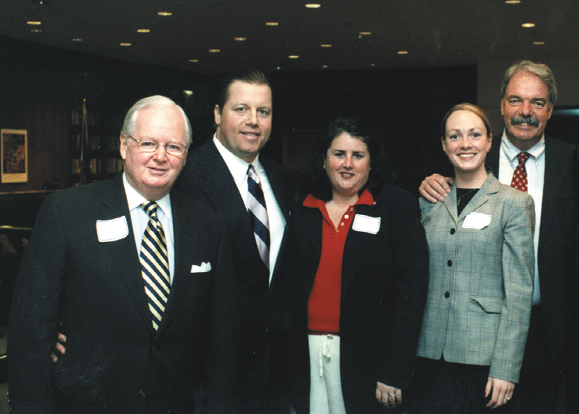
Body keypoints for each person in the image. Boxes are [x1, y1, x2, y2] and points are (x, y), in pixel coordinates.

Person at [8, 96, 238, 413]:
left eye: (174, 147)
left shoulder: (208, 225)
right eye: (148, 143)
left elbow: (222, 340)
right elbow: (30, 334)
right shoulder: (67, 213)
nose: (160, 157)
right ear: (123, 145)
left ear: (185, 157)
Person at [419, 61, 578, 413]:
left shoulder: (572, 162)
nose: (525, 112)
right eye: (516, 100)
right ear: (502, 106)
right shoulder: (472, 157)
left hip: (550, 329)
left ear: (551, 110)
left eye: (537, 103)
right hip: (476, 334)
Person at [285, 117, 429, 413]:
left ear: (372, 162)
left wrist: (394, 370)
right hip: (305, 354)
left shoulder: (395, 206)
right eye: (339, 154)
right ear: (323, 160)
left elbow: (412, 295)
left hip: (369, 362)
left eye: (358, 155)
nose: (347, 164)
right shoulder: (304, 206)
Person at [174, 69, 292, 413]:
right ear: (216, 114)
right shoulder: (186, 176)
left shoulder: (280, 178)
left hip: (273, 368)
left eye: (263, 112)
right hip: (209, 374)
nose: (253, 121)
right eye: (241, 109)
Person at [413, 103, 534, 413]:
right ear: (443, 145)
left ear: (489, 141)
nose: (465, 144)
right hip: (428, 352)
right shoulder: (429, 200)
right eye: (455, 136)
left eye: (474, 134)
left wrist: (505, 368)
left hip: (483, 359)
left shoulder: (514, 203)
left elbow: (519, 294)